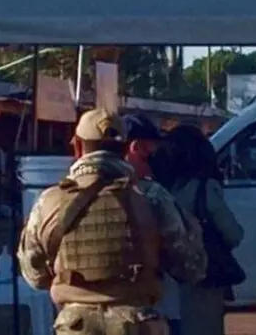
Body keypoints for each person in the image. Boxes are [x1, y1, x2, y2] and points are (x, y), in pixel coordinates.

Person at [17, 108, 207, 335]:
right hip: (137, 324)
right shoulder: (153, 197)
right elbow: (191, 267)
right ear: (126, 149)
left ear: (77, 146)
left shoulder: (49, 201)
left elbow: (34, 275)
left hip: (76, 325)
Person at [165, 125, 244, 335]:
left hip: (171, 273)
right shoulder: (204, 188)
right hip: (203, 274)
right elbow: (233, 234)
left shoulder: (165, 188)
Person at [123, 114, 181, 335]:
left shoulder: (68, 195)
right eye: (150, 152)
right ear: (135, 148)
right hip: (151, 309)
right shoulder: (153, 195)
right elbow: (184, 251)